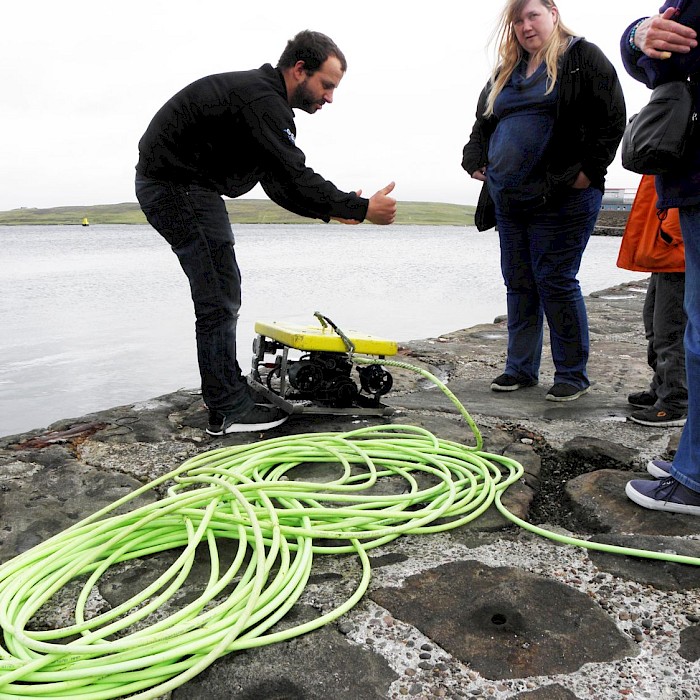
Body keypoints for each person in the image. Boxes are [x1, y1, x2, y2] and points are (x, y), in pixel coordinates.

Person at [135, 30, 397, 436]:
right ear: (299, 70)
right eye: (326, 85)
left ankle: (229, 389)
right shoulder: (263, 102)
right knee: (219, 294)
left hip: (182, 185)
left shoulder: (263, 102)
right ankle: (227, 408)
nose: (330, 97)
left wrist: (337, 211)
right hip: (176, 186)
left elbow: (279, 184)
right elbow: (294, 174)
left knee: (221, 290)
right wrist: (362, 208)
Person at [462, 0, 626, 402]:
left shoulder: (581, 57)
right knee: (519, 282)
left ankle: (572, 374)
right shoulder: (507, 71)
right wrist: (473, 158)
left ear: (553, 12)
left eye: (532, 15)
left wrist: (587, 172)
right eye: (517, 20)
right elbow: (483, 124)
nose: (524, 25)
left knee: (554, 279)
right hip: (510, 196)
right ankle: (520, 369)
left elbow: (613, 116)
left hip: (563, 196)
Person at [621, 2, 700, 516]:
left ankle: (694, 472)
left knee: (684, 328)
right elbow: (662, 54)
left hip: (688, 198)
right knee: (674, 323)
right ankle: (691, 454)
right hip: (688, 187)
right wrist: (639, 36)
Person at [617, 174, 687, 427]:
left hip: (677, 248)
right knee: (656, 324)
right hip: (667, 244)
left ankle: (676, 401)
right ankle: (662, 388)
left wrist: (671, 232)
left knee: (671, 329)